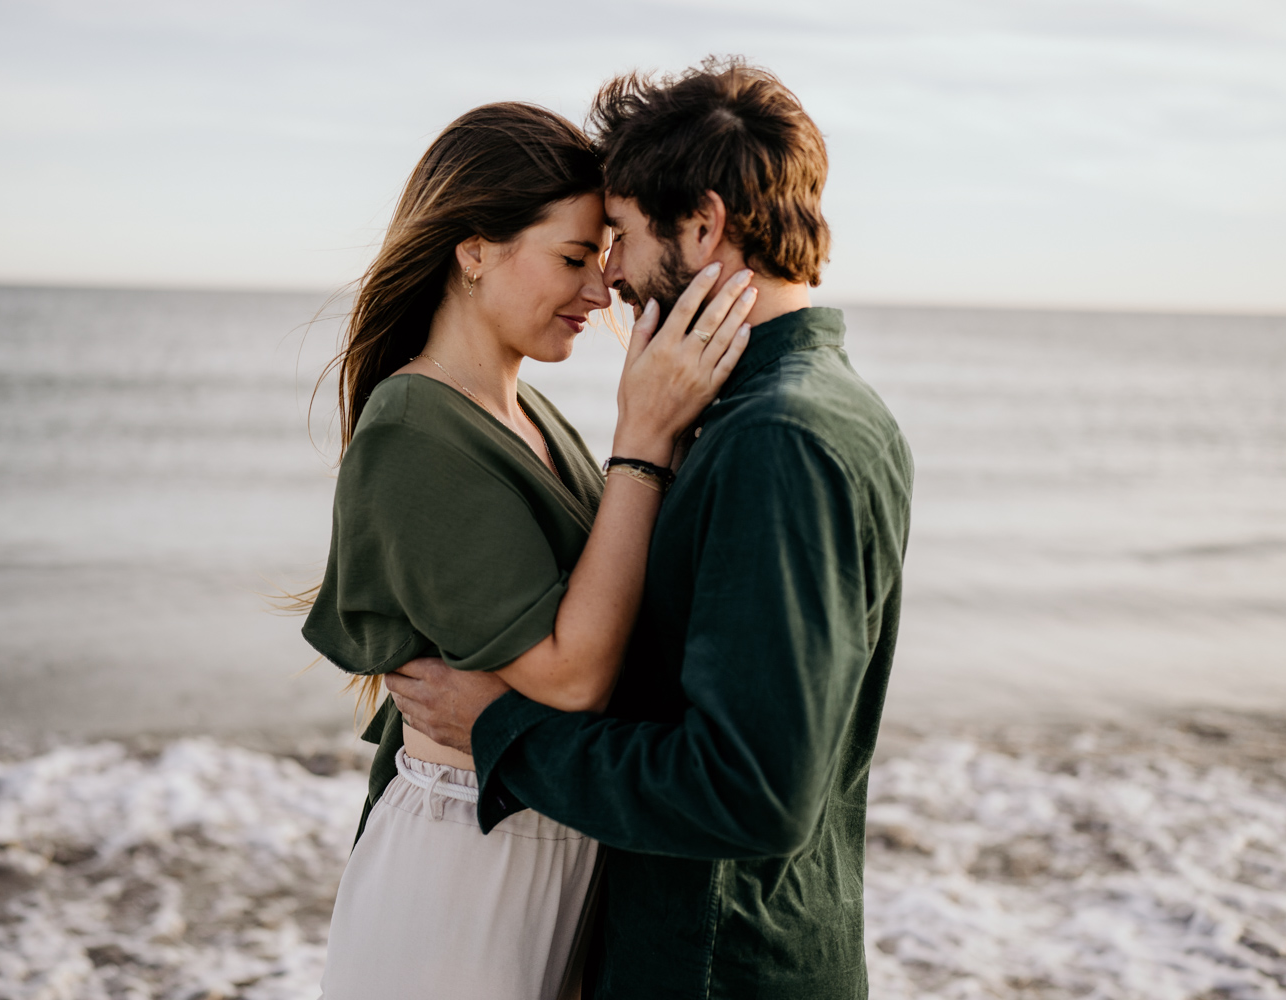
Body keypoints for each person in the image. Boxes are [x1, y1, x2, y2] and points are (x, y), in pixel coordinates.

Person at [385, 58, 915, 999]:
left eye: (621, 235)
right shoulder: (809, 410)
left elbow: (748, 791)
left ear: (704, 225)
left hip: (716, 970)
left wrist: (502, 730)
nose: (616, 274)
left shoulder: (776, 440)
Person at [300, 102, 755, 1000]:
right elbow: (573, 675)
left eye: (603, 256)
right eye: (575, 259)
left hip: (550, 843)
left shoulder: (530, 416)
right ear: (474, 250)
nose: (601, 291)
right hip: (463, 871)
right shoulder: (414, 426)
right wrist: (643, 438)